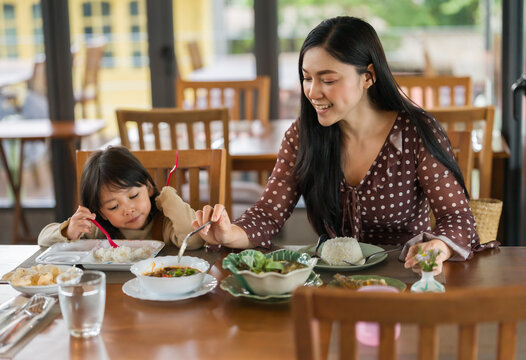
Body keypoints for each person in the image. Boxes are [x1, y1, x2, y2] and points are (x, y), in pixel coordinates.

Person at [193, 16, 495, 275]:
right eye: (307, 78)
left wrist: (437, 246)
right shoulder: (302, 135)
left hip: (405, 277)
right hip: (329, 280)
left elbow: (458, 219)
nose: (313, 92)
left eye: (328, 79)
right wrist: (230, 232)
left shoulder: (414, 133)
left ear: (368, 76)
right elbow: (269, 215)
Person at [38, 146, 203, 249]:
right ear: (101, 213)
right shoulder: (98, 230)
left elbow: (195, 240)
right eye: (113, 207)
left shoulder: (166, 223)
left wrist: (167, 196)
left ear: (149, 188)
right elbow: (43, 239)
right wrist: (69, 231)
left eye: (133, 195)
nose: (128, 209)